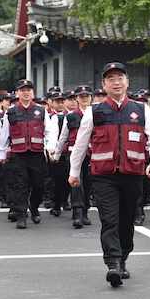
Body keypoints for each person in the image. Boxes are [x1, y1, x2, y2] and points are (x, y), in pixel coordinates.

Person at [67, 62, 150, 287]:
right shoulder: (95, 111)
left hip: (133, 173)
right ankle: (113, 263)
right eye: (111, 79)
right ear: (104, 85)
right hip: (104, 176)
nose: (116, 82)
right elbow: (81, 143)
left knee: (126, 220)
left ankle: (123, 257)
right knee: (109, 219)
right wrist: (74, 171)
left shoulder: (141, 110)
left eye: (120, 77)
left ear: (127, 82)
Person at [0, 80, 58, 229]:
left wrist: (50, 146)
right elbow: (4, 134)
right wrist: (2, 153)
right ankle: (21, 214)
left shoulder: (41, 111)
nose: (26, 93)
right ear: (17, 93)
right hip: (18, 155)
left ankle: (34, 207)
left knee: (38, 185)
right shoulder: (11, 112)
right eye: (22, 90)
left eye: (29, 90)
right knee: (20, 186)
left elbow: (50, 131)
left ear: (32, 93)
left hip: (37, 154)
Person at [53, 85, 94, 228]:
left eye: (87, 96)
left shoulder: (96, 113)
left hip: (91, 155)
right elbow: (63, 137)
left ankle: (85, 212)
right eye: (81, 96)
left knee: (88, 184)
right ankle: (77, 212)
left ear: (90, 98)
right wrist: (57, 154)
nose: (84, 99)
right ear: (77, 98)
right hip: (74, 155)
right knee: (77, 183)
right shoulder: (70, 116)